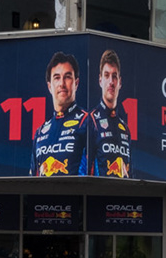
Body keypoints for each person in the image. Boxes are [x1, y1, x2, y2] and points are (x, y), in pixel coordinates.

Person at [30, 52, 87, 177]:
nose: (62, 83)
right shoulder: (40, 133)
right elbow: (32, 181)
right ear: (49, 86)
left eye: (67, 77)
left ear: (76, 83)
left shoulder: (88, 122)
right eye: (56, 77)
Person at [85, 49, 132, 178]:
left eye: (114, 76)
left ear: (120, 83)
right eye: (106, 75)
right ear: (100, 80)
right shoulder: (90, 121)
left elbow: (129, 173)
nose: (111, 82)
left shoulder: (125, 129)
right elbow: (85, 171)